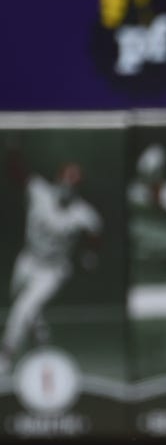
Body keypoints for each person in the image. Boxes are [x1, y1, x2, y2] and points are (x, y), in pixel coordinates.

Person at [1, 158, 102, 372]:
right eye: (66, 180)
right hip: (27, 260)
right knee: (24, 308)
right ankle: (42, 341)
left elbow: (95, 231)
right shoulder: (39, 191)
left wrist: (90, 254)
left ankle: (6, 358)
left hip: (53, 270)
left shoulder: (82, 213)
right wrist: (11, 149)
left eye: (74, 184)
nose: (68, 187)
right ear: (58, 179)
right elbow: (17, 172)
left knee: (21, 310)